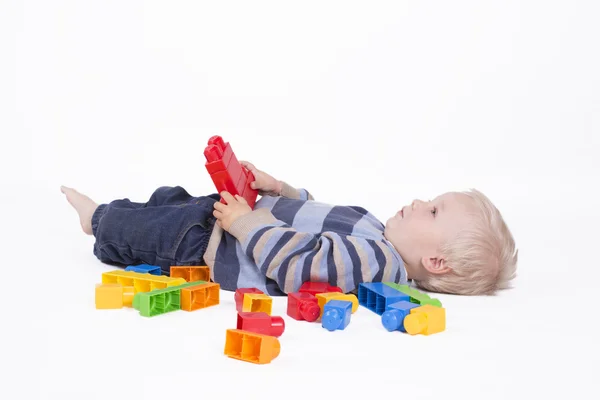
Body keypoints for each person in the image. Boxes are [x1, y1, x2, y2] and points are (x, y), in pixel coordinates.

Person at [61, 160, 517, 296]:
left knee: (143, 230)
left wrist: (249, 222)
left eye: (433, 212)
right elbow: (316, 218)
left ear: (434, 261)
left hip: (214, 245)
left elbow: (301, 266)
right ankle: (121, 213)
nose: (420, 202)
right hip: (231, 219)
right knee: (167, 198)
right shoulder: (376, 232)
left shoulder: (377, 263)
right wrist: (279, 189)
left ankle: (98, 221)